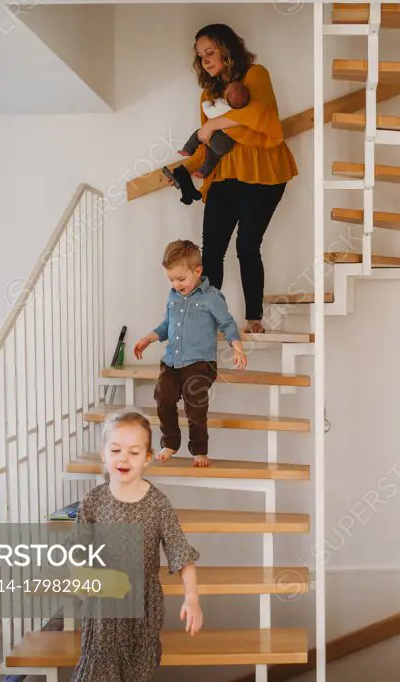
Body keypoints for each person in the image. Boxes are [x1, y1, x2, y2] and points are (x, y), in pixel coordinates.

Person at [70, 411, 202, 682]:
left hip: (143, 607)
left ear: (147, 457)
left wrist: (192, 598)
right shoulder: (93, 501)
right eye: (116, 450)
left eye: (133, 452)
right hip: (103, 609)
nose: (123, 458)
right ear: (104, 454)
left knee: (135, 671)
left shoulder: (158, 504)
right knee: (97, 672)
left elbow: (181, 553)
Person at [187, 23, 298, 335]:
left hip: (264, 172)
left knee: (247, 245)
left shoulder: (256, 74)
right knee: (211, 251)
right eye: (201, 56)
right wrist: (186, 169)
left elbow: (263, 118)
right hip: (226, 173)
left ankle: (254, 317)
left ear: (227, 49)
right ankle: (209, 321)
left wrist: (213, 125)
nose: (206, 60)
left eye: (211, 52)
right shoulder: (208, 95)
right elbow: (210, 141)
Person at [133, 240, 247, 467]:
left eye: (180, 279)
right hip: (172, 362)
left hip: (200, 363)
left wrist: (238, 348)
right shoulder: (173, 296)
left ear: (197, 271)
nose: (175, 284)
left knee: (195, 404)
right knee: (162, 397)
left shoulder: (212, 297)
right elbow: (167, 325)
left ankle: (199, 450)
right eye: (170, 279)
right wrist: (148, 338)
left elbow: (227, 324)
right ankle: (171, 443)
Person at [166, 81, 252, 204]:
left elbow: (208, 112)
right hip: (227, 145)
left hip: (224, 151)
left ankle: (187, 149)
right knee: (212, 155)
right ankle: (203, 172)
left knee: (199, 134)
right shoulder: (240, 107)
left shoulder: (222, 105)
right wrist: (188, 168)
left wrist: (208, 105)